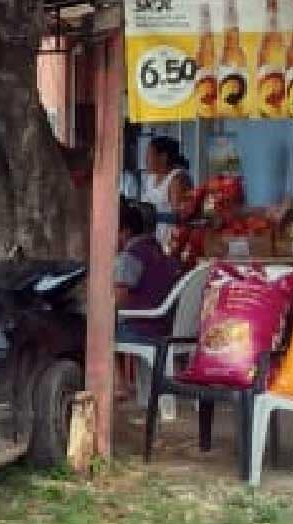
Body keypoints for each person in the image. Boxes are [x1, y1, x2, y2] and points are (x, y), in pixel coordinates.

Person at [116, 198, 182, 397]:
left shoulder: (131, 256)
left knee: (95, 331)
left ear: (125, 232)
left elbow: (119, 298)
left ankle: (118, 386)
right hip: (163, 326)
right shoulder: (160, 252)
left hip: (142, 328)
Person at [141, 136, 192, 254]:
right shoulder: (150, 178)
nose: (146, 160)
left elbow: (180, 216)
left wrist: (151, 216)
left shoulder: (177, 179)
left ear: (163, 157)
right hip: (153, 241)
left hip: (170, 243)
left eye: (149, 155)